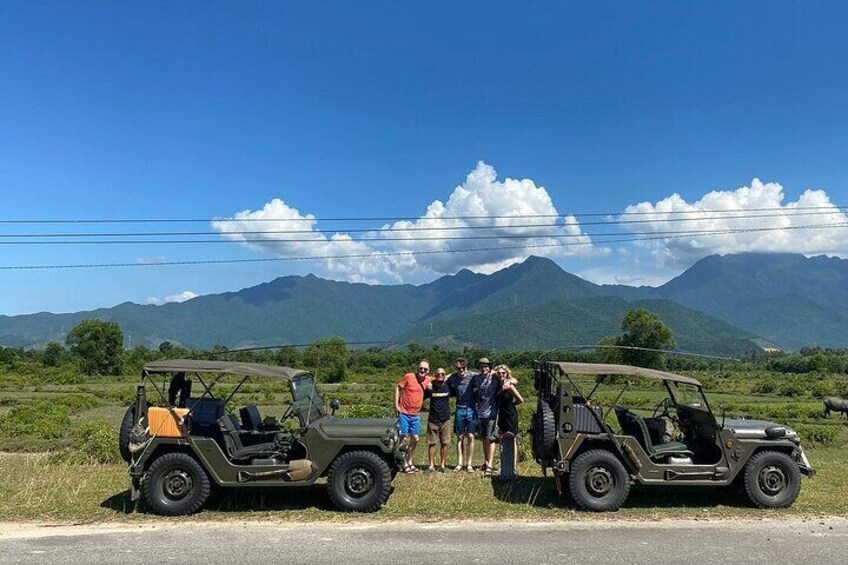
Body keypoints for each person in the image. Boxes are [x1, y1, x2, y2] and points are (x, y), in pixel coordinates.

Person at [395, 360, 432, 473]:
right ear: (417, 368)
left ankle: (409, 460)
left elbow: (443, 377)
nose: (422, 371)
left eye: (425, 369)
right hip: (404, 413)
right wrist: (396, 405)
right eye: (421, 368)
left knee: (415, 438)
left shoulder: (428, 379)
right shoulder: (409, 376)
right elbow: (398, 388)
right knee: (403, 437)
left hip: (415, 415)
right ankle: (401, 462)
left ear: (428, 371)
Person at [447, 357, 478, 472]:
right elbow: (442, 378)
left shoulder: (473, 375)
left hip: (471, 409)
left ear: (466, 367)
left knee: (470, 436)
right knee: (460, 436)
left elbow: (489, 374)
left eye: (463, 368)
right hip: (459, 409)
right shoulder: (452, 378)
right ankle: (459, 463)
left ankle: (469, 463)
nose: (461, 370)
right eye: (458, 368)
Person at [474, 358, 500, 477]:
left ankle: (490, 464)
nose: (484, 368)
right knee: (484, 438)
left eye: (486, 366)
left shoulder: (495, 376)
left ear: (490, 367)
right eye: (481, 366)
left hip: (492, 413)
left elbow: (511, 378)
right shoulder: (477, 378)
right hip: (480, 412)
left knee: (491, 438)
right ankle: (486, 461)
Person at [495, 365, 524, 473]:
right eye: (499, 373)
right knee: (502, 438)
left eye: (503, 373)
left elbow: (520, 400)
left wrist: (512, 405)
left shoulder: (510, 386)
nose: (501, 375)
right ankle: (504, 463)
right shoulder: (498, 385)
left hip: (510, 415)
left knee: (512, 439)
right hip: (501, 414)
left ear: (507, 374)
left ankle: (513, 465)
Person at [424, 367, 451, 473]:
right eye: (438, 374)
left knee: (445, 443)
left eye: (443, 374)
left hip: (445, 420)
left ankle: (443, 465)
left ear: (445, 375)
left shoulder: (449, 386)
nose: (440, 375)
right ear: (435, 375)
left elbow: (454, 375)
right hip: (433, 420)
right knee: (432, 443)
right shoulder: (430, 387)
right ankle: (431, 466)